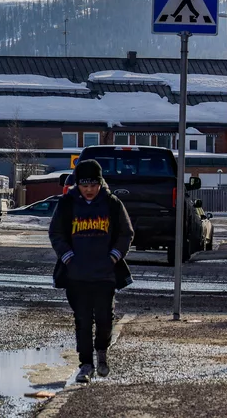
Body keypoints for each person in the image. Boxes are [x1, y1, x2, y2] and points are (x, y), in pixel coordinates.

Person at [49, 159, 134, 383]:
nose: (89, 190)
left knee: (105, 318)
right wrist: (68, 257)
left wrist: (114, 256)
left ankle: (102, 352)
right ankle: (86, 365)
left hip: (105, 274)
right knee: (83, 320)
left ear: (100, 183)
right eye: (84, 185)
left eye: (93, 185)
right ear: (77, 184)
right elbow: (56, 233)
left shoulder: (112, 204)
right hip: (76, 275)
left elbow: (126, 233)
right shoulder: (67, 204)